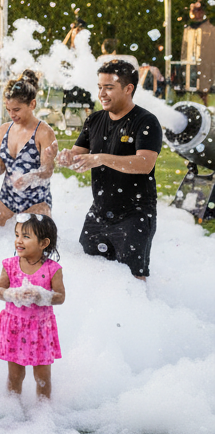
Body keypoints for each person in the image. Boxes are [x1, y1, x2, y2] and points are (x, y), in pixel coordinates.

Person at [56, 59, 161, 280]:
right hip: (99, 212)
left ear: (128, 88)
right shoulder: (94, 119)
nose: (101, 93)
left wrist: (102, 158)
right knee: (90, 275)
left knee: (133, 281)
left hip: (135, 213)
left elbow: (145, 164)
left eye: (109, 87)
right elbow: (79, 154)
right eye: (100, 87)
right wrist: (66, 157)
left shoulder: (146, 121)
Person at [0, 214, 64, 399]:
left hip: (40, 328)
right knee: (15, 375)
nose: (19, 241)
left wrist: (42, 295)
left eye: (26, 236)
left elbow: (60, 297)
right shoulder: (10, 265)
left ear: (43, 243)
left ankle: (43, 413)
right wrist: (11, 294)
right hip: (14, 327)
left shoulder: (52, 269)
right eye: (16, 235)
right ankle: (13, 409)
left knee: (42, 377)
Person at [0, 71, 57, 226]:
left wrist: (29, 177)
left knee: (31, 243)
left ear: (32, 104)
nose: (11, 114)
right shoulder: (4, 129)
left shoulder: (44, 132)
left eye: (16, 110)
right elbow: (0, 166)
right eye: (8, 109)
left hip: (36, 200)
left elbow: (47, 170)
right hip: (8, 196)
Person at [180, 0, 215, 105]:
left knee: (205, 88)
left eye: (199, 10)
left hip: (207, 64)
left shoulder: (211, 29)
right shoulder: (188, 30)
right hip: (191, 64)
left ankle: (207, 107)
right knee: (191, 88)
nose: (197, 13)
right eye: (195, 10)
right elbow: (184, 49)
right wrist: (183, 63)